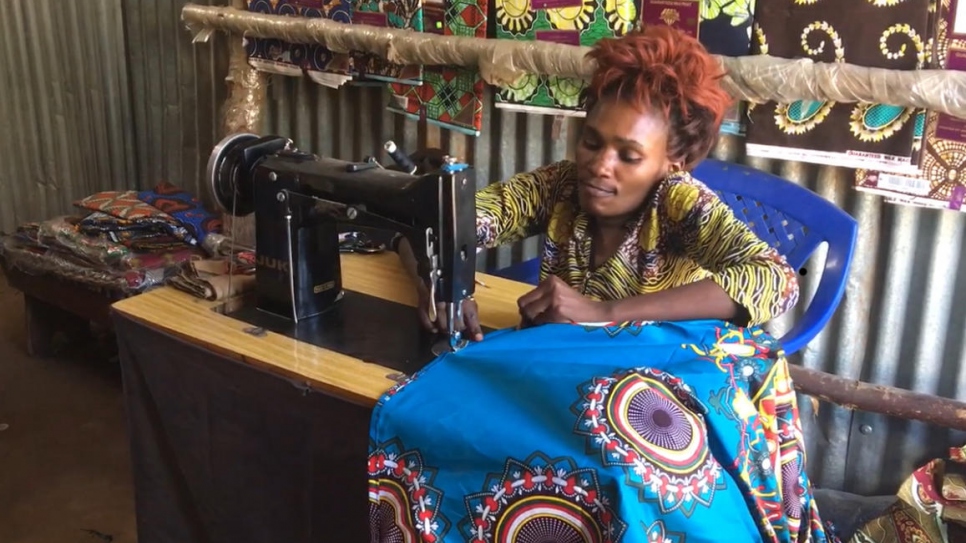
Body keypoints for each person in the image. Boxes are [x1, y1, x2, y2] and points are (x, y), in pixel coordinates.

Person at [396, 25, 799, 342]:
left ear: (672, 161)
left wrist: (600, 313)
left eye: (629, 156)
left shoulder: (677, 203)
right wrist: (440, 288)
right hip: (564, 374)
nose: (599, 165)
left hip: (649, 395)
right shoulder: (560, 186)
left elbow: (775, 281)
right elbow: (441, 222)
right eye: (591, 141)